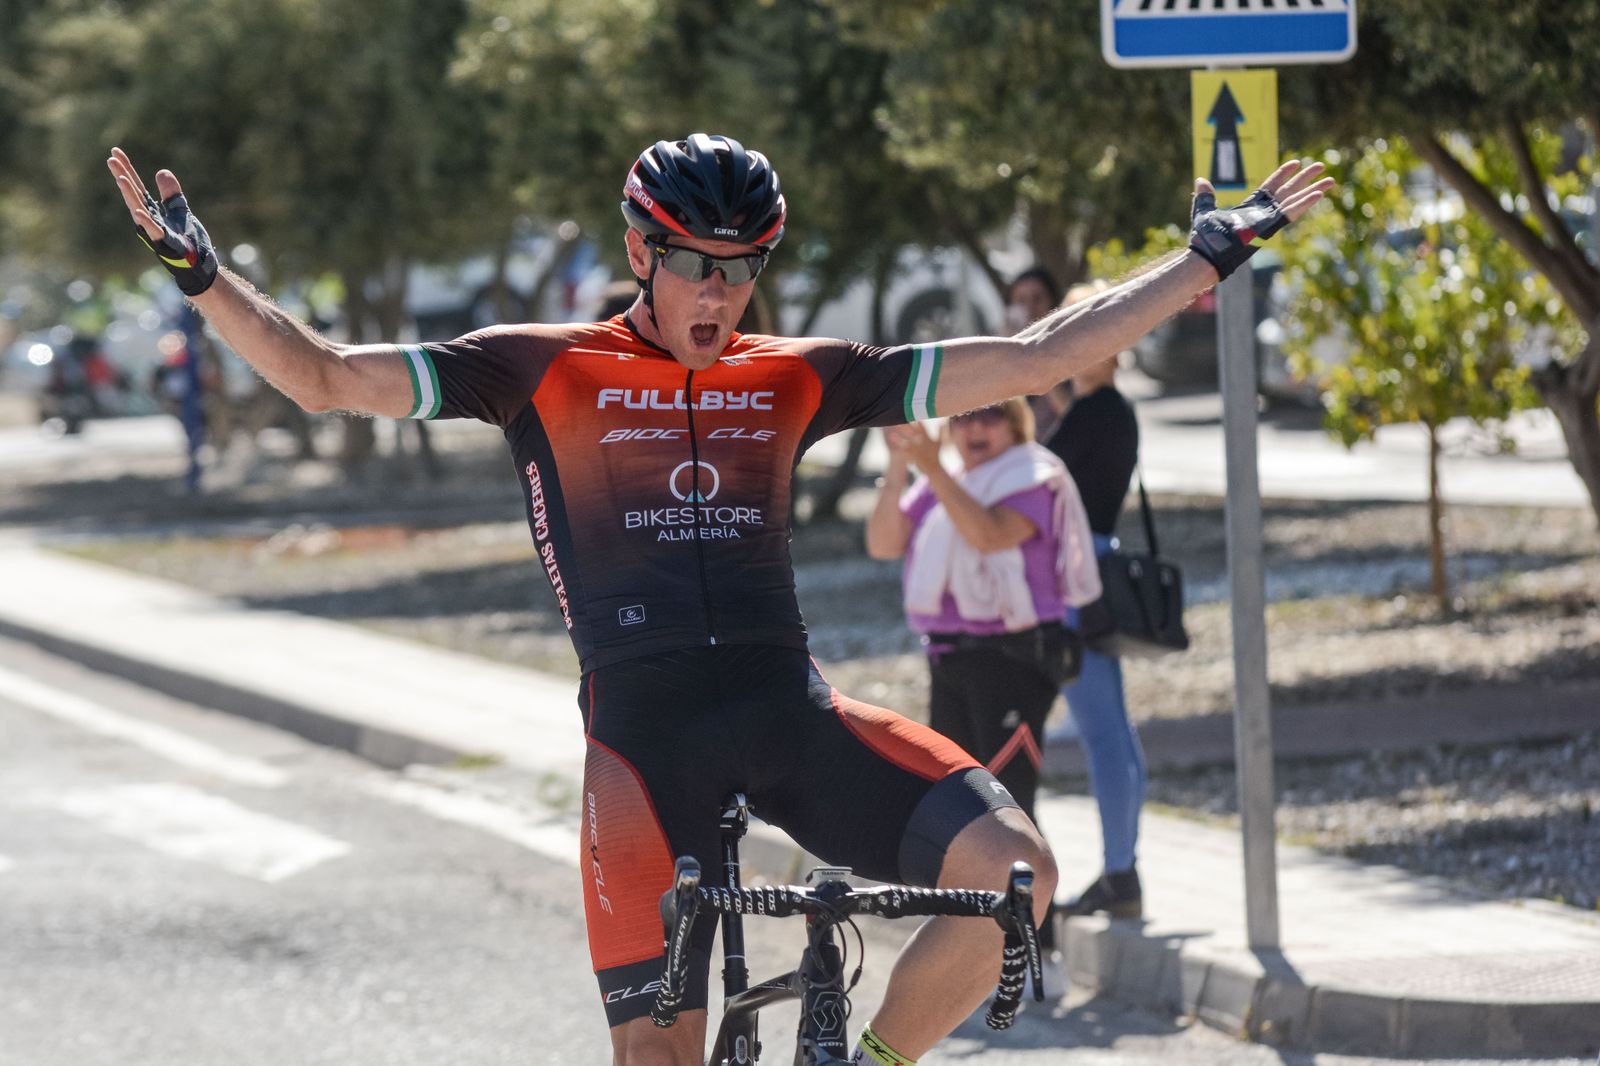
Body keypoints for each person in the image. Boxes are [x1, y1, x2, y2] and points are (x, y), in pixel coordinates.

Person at [108, 135, 1331, 1066]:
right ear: (640, 251)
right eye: (695, 265)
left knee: (1016, 871)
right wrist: (202, 276)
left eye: (742, 270)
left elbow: (1046, 351)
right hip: (642, 744)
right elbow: (320, 377)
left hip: (786, 709)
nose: (719, 293)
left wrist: (1205, 256)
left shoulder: (799, 374)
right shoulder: (537, 367)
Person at [864, 396, 1100, 997]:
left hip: (1013, 663)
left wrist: (935, 471)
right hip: (951, 660)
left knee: (1011, 809)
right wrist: (899, 466)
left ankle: (1038, 958)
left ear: (1016, 423)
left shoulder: (1031, 474)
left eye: (990, 415)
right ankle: (978, 959)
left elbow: (992, 536)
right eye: (964, 416)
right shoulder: (952, 481)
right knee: (962, 814)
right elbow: (884, 543)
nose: (974, 427)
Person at [1042, 280, 1148, 920]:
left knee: (1105, 737)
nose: (1078, 345)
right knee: (1115, 735)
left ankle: (1119, 873)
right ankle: (1122, 870)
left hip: (1079, 583)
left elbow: (1041, 482)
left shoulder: (1094, 413)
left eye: (1091, 334)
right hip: (1095, 574)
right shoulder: (1107, 411)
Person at [1003, 267, 1071, 438]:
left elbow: (1070, 414)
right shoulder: (1003, 354)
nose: (1029, 308)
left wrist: (1034, 356)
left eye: (1037, 299)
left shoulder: (1070, 349)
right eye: (1021, 300)